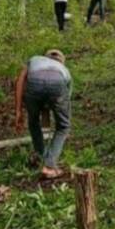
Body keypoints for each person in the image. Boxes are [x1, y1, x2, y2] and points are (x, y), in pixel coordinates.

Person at [14, 49, 72, 179]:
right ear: (62, 61)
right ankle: (49, 165)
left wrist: (18, 111)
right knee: (63, 126)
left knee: (33, 124)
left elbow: (20, 81)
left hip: (33, 83)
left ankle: (42, 159)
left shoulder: (34, 60)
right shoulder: (64, 70)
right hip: (58, 83)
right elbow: (64, 102)